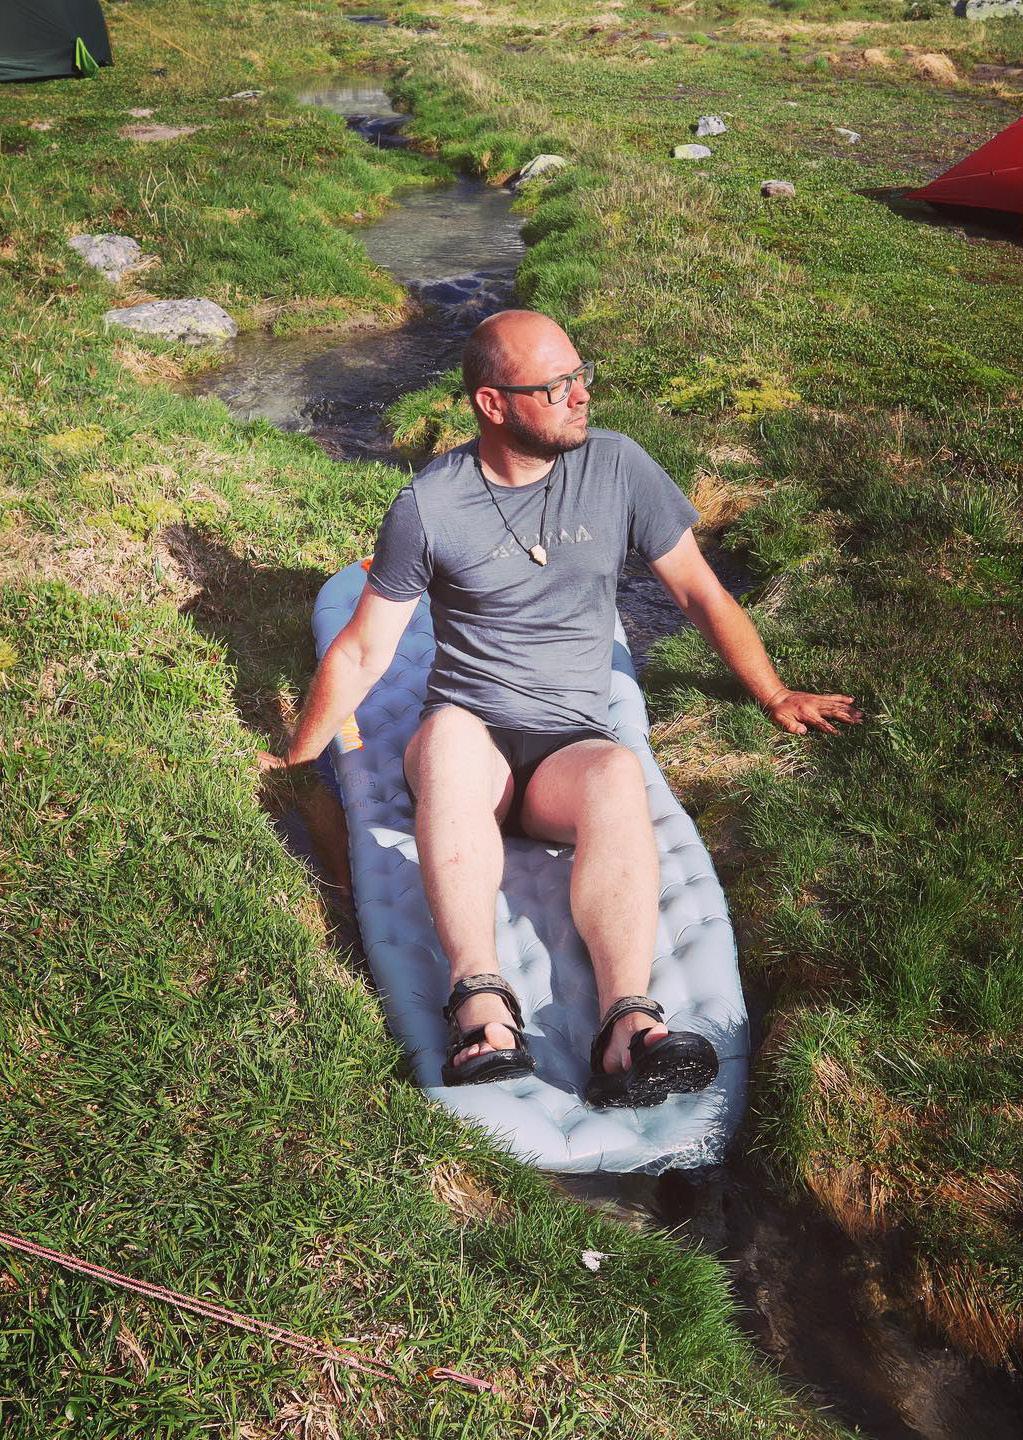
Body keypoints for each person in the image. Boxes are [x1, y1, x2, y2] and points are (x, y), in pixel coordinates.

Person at [262, 310, 862, 1107]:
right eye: (555, 387)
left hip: (567, 752)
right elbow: (365, 650)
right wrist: (300, 758)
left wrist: (774, 694)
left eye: (580, 376)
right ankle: (480, 1005)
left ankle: (628, 1023)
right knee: (447, 741)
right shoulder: (431, 504)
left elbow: (698, 592)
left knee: (616, 770)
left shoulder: (618, 466)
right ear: (492, 403)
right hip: (470, 742)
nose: (580, 396)